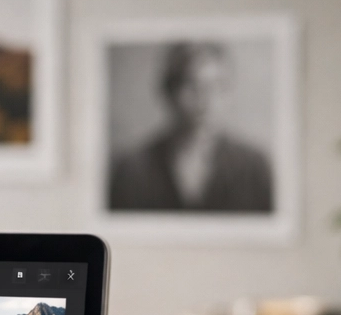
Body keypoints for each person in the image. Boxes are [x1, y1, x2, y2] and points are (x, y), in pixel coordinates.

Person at [108, 42, 273, 213]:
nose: (204, 99)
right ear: (169, 92)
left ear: (228, 94)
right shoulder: (133, 169)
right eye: (191, 85)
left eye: (216, 86)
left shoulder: (254, 167)